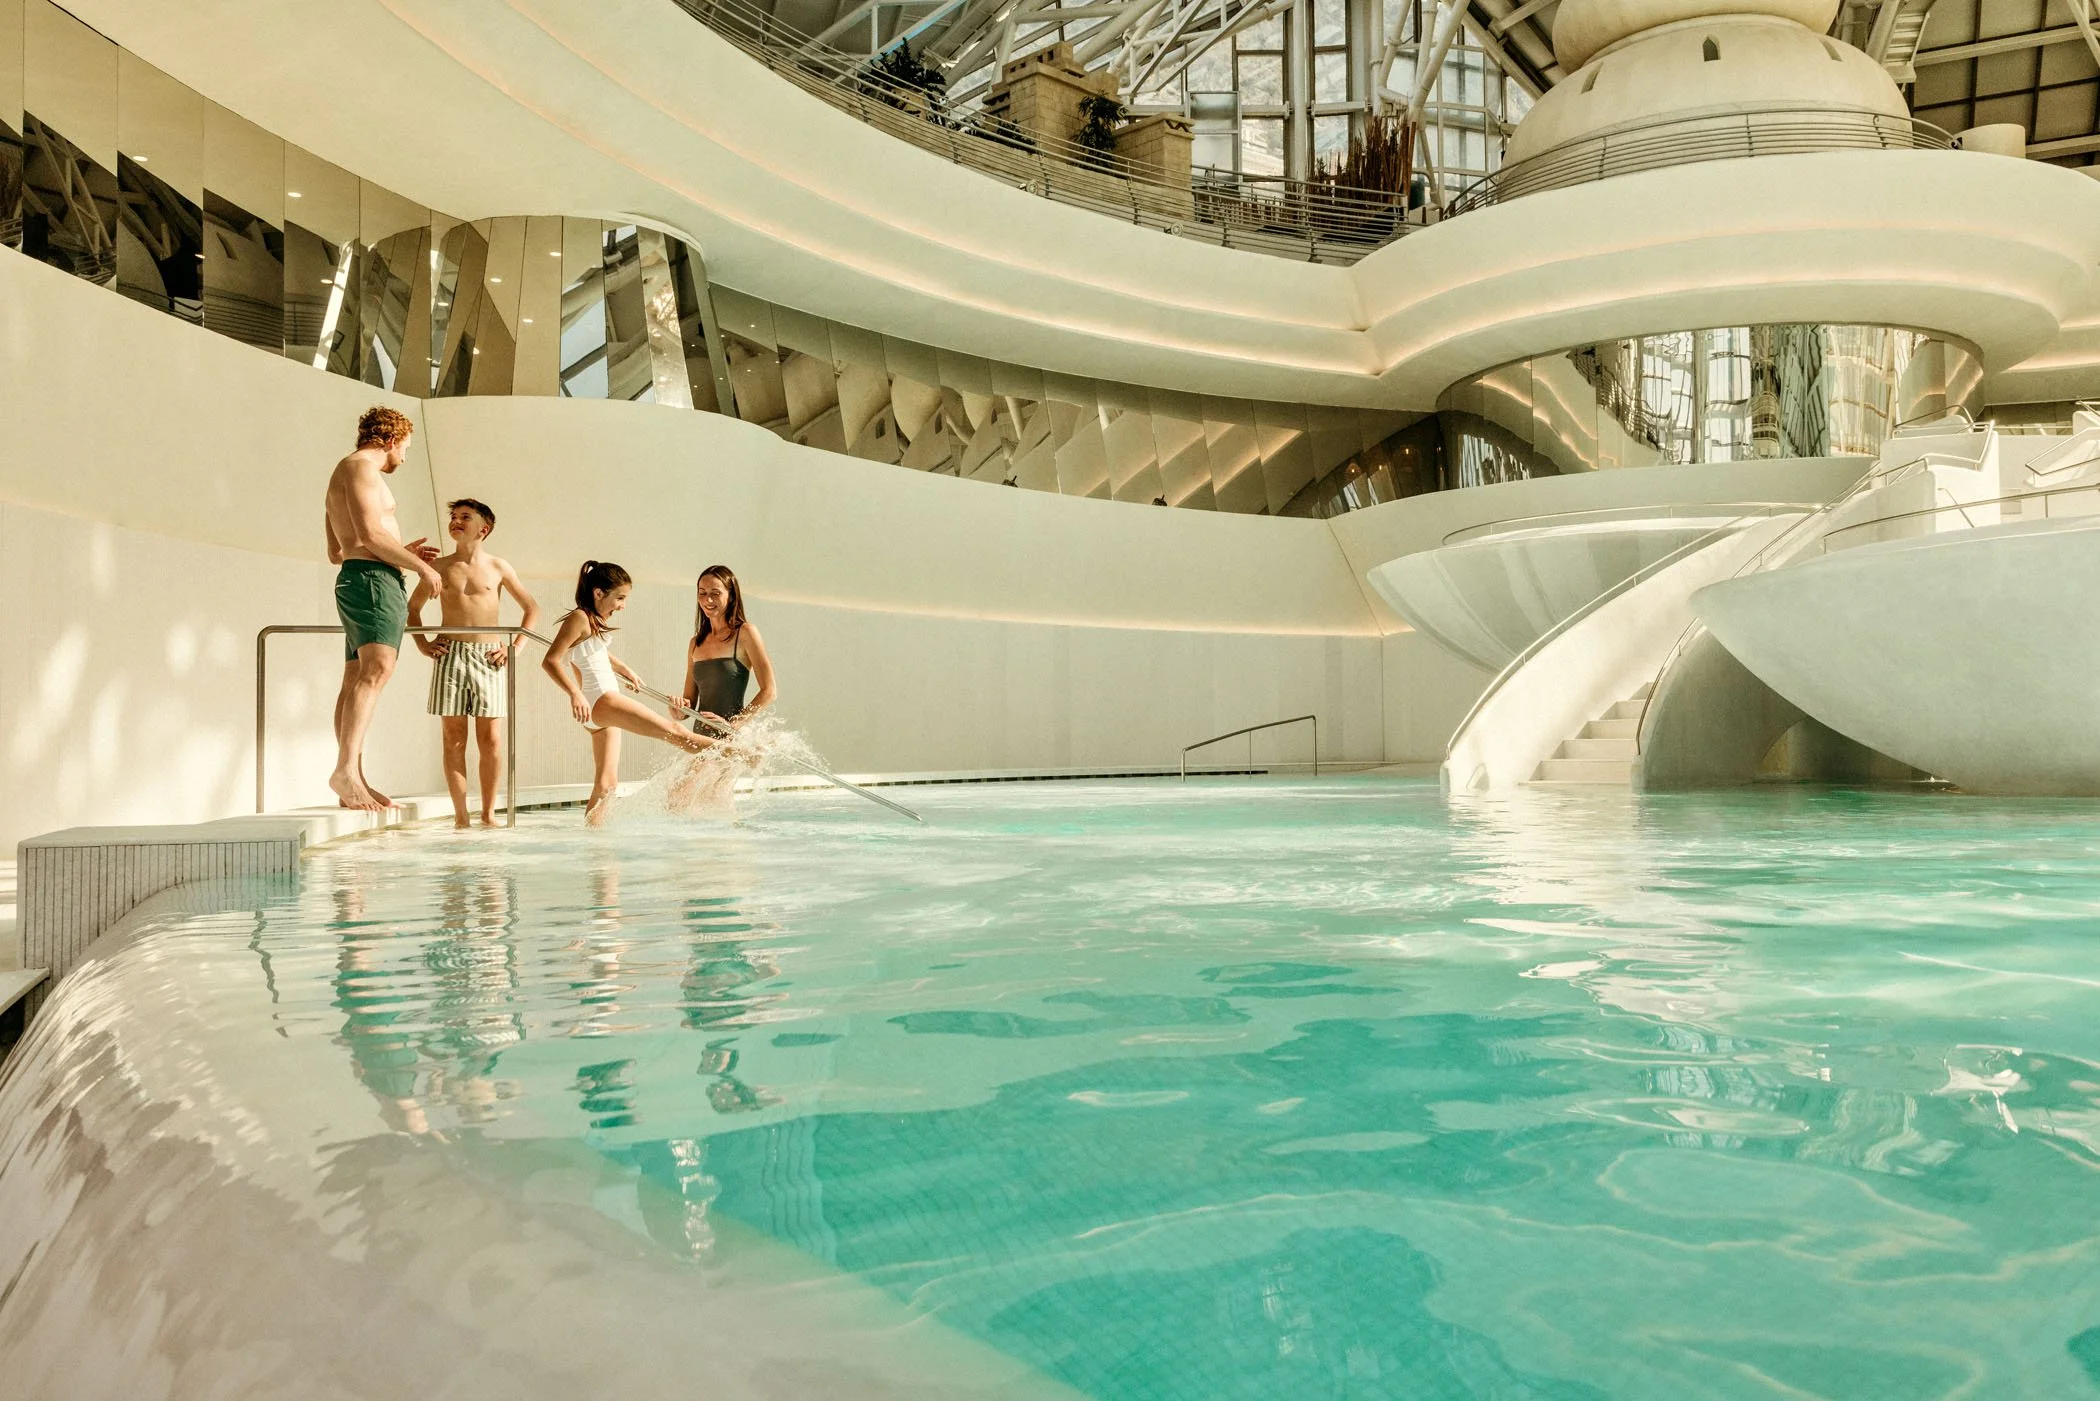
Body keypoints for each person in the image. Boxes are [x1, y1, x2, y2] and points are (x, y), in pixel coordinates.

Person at [324, 406, 442, 811]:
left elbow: (337, 550)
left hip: (361, 577)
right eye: (405, 448)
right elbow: (371, 533)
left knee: (358, 675)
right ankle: (344, 771)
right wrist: (423, 568)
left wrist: (399, 554)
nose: (404, 458)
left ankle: (353, 776)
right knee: (377, 671)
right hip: (373, 583)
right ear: (390, 440)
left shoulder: (342, 473)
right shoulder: (361, 469)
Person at [541, 561, 711, 826]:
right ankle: (738, 752)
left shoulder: (591, 620)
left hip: (600, 708)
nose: (622, 605)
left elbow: (594, 651)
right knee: (675, 732)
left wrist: (625, 669)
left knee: (607, 784)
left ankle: (595, 847)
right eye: (620, 598)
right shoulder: (579, 618)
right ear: (598, 593)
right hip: (602, 700)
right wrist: (575, 694)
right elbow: (551, 660)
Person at [408, 498, 542, 829]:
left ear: (484, 528)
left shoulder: (498, 567)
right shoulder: (438, 567)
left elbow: (532, 609)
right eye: (453, 517)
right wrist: (423, 644)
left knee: (491, 739)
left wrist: (515, 649)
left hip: (489, 657)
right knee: (453, 736)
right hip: (450, 655)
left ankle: (488, 814)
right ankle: (461, 817)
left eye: (464, 517)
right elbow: (412, 609)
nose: (456, 521)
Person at [682, 564, 777, 736]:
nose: (707, 600)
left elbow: (769, 691)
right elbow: (689, 701)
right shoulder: (695, 643)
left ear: (731, 595)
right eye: (702, 593)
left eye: (715, 593)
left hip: (731, 737)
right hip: (698, 739)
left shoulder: (745, 633)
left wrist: (735, 724)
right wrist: (677, 709)